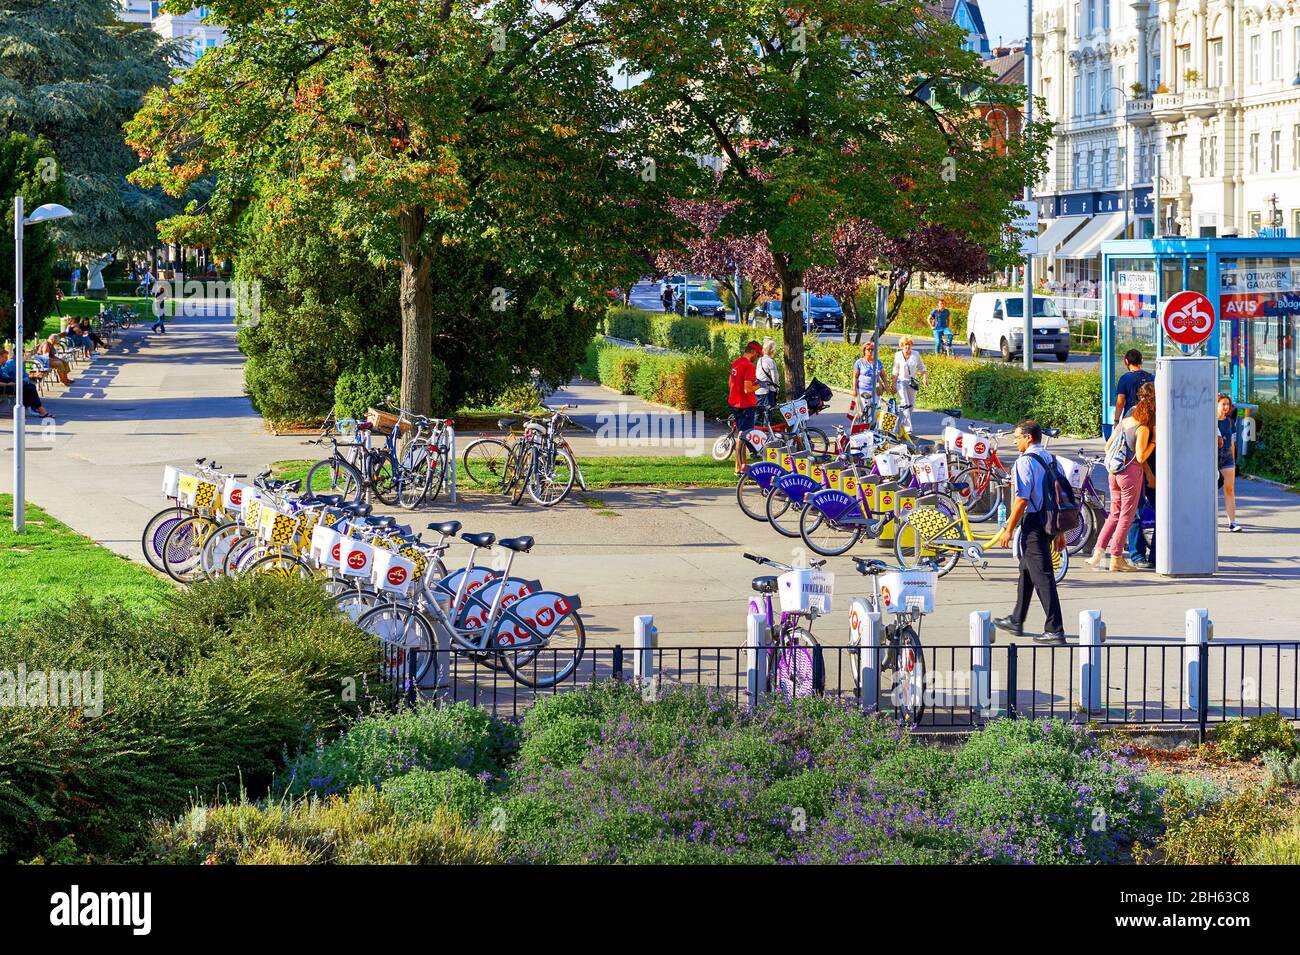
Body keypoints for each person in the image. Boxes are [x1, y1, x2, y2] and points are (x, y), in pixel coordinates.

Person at [992, 420, 1066, 644]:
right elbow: (1062, 495)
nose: (1015, 441)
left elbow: (1021, 499)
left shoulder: (1024, 462)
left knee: (1043, 577)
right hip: (1051, 521)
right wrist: (1060, 532)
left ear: (1028, 438)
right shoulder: (1053, 459)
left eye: (1017, 437)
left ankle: (1055, 629)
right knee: (1027, 568)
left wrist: (1008, 529)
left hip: (1034, 523)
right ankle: (1016, 619)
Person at [1087, 389, 1153, 572]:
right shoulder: (1143, 429)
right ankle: (1116, 557)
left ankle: (1098, 554)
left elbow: (1108, 445)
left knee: (1114, 513)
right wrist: (1153, 444)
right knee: (1127, 516)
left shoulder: (1125, 422)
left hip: (1113, 473)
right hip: (1130, 475)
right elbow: (1140, 457)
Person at [1126, 381, 1158, 568]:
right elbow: (1139, 452)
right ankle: (1137, 555)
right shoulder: (1137, 414)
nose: (1146, 401)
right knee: (1137, 512)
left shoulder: (1158, 413)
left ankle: (1154, 554)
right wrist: (1149, 474)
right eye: (1144, 397)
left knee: (1158, 511)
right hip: (1142, 467)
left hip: (1153, 467)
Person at [728, 340, 762, 475]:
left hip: (735, 403)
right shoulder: (748, 366)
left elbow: (729, 382)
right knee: (743, 437)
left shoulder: (736, 362)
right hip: (746, 405)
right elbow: (748, 389)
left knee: (742, 436)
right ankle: (740, 467)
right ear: (753, 352)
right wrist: (760, 385)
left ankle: (742, 466)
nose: (757, 358)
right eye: (757, 355)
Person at [0, 348, 53, 419]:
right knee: (29, 388)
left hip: (9, 386)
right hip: (4, 388)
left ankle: (34, 409)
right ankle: (40, 410)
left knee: (30, 386)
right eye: (5, 357)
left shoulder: (2, 366)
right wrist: (8, 383)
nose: (6, 359)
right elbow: (4, 376)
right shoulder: (9, 363)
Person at [890, 335, 927, 434]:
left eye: (909, 344)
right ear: (902, 345)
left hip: (912, 382)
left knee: (911, 405)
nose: (907, 347)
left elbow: (922, 367)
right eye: (905, 345)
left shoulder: (916, 354)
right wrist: (893, 385)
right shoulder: (898, 355)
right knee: (905, 404)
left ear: (911, 345)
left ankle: (903, 423)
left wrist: (924, 377)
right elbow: (895, 371)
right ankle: (908, 429)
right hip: (901, 382)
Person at [1218, 393, 1242, 532]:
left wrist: (1233, 459)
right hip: (1213, 457)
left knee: (1229, 489)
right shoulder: (1210, 421)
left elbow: (1232, 442)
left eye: (1228, 404)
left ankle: (1232, 522)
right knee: (1209, 491)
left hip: (1227, 457)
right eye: (1223, 404)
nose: (1226, 407)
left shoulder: (1229, 422)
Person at [849, 340, 884, 428]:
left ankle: (873, 429)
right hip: (863, 390)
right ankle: (864, 428)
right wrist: (854, 390)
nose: (870, 351)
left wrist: (886, 386)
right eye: (868, 349)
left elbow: (883, 375)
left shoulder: (878, 362)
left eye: (872, 349)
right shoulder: (859, 362)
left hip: (875, 390)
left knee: (875, 410)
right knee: (865, 411)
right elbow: (855, 377)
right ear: (864, 350)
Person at [1114, 349, 1154, 421]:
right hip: (1148, 418)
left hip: (1131, 418)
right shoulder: (1151, 377)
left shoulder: (1125, 378)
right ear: (1141, 361)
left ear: (1126, 361)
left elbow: (1120, 402)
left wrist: (1116, 420)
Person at [754, 338, 781, 422]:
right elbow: (775, 379)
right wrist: (777, 389)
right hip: (768, 391)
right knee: (768, 412)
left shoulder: (760, 360)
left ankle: (751, 430)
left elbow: (757, 375)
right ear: (772, 350)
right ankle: (767, 432)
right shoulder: (771, 361)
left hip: (758, 390)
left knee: (757, 412)